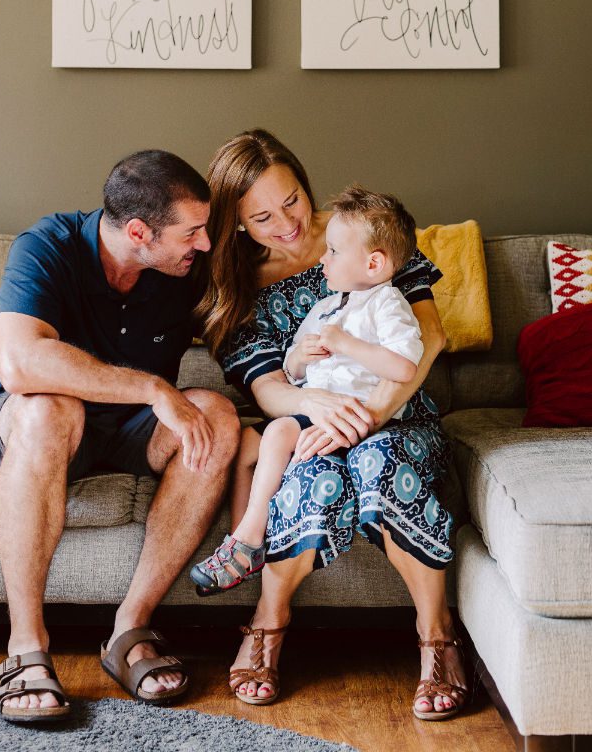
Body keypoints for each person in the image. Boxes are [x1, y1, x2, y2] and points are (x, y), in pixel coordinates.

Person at [196, 130, 468, 720]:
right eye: (262, 218)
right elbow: (267, 385)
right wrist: (315, 405)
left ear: (304, 181)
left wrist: (368, 417)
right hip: (313, 422)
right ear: (236, 222)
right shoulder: (238, 284)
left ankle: (436, 637)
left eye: (292, 200)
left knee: (379, 461)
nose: (287, 224)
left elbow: (429, 337)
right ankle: (268, 622)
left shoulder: (362, 233)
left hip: (396, 416)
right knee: (305, 478)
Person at [0, 150, 241, 723]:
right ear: (139, 232)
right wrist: (152, 388)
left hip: (131, 430)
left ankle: (130, 630)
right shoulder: (47, 245)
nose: (203, 244)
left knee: (218, 416)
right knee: (50, 409)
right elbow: (20, 364)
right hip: (38, 423)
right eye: (191, 232)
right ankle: (26, 646)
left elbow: (289, 263)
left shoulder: (186, 266)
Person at [190, 186, 425, 596]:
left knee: (280, 431)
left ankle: (248, 538)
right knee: (247, 444)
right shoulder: (326, 306)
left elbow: (405, 366)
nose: (322, 259)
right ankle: (241, 544)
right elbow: (288, 373)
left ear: (373, 263)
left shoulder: (386, 302)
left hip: (361, 410)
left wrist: (346, 344)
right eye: (262, 217)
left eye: (332, 252)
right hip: (316, 406)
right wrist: (300, 357)